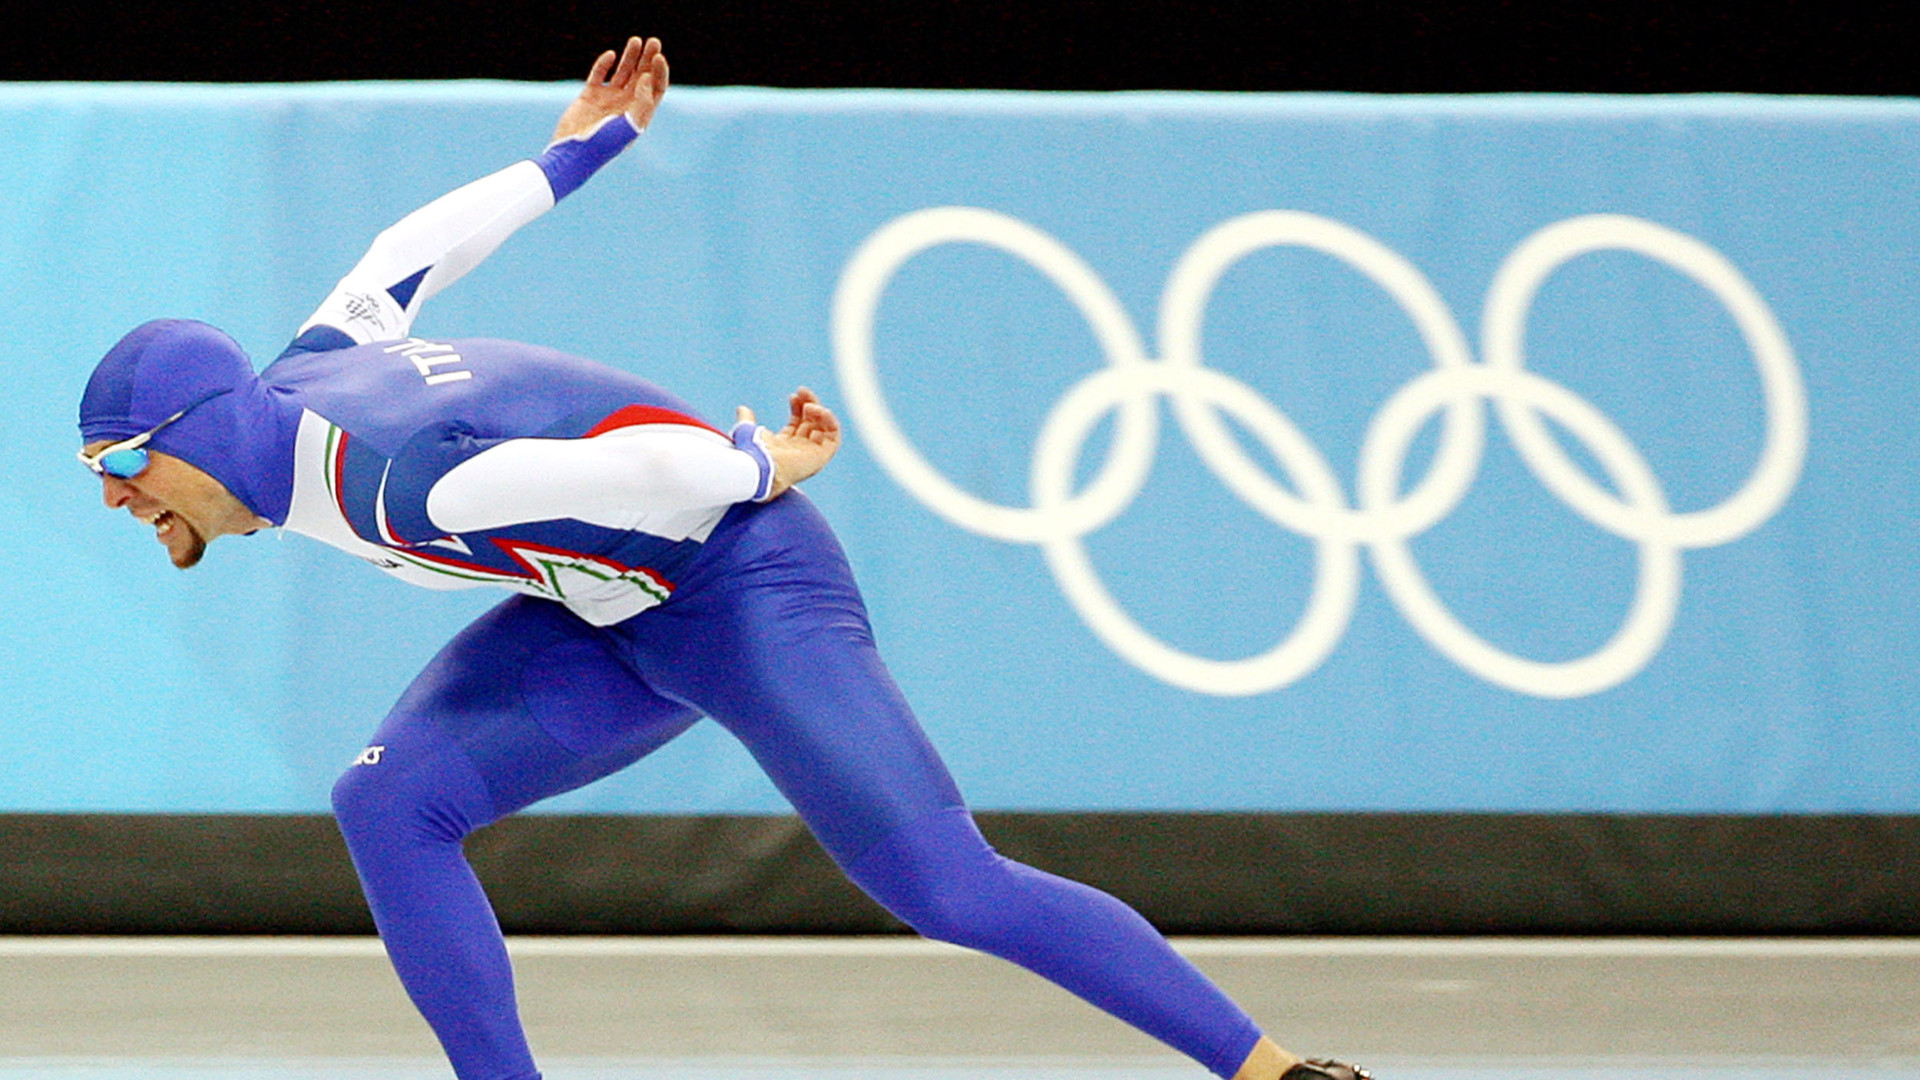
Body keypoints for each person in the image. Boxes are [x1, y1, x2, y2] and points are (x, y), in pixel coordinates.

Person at [78, 36, 1370, 1080]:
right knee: (388, 803)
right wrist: (571, 158)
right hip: (603, 604)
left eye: (119, 475)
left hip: (740, 579)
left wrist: (760, 468)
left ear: (181, 439)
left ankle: (1270, 1071)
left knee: (944, 885)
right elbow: (406, 254)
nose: (123, 506)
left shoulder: (397, 481)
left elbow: (630, 471)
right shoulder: (304, 370)